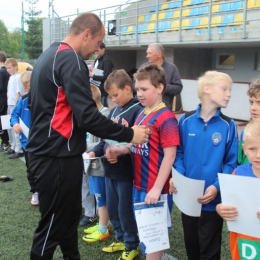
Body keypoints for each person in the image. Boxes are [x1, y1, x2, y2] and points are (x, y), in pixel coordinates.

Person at [26, 12, 148, 260]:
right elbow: (88, 117)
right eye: (97, 42)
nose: (97, 50)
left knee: (68, 222)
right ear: (86, 34)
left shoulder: (47, 56)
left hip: (49, 154)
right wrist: (129, 134)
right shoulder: (70, 59)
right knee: (51, 229)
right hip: (55, 157)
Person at [108, 64, 180, 260]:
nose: (139, 93)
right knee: (146, 234)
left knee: (153, 238)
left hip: (155, 189)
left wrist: (157, 188)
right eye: (137, 89)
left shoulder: (166, 118)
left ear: (159, 88)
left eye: (144, 89)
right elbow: (137, 144)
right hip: (139, 185)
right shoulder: (142, 113)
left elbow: (170, 156)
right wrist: (122, 149)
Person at [170, 71, 238, 260]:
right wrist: (180, 178)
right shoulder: (185, 120)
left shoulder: (228, 125)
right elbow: (179, 153)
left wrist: (216, 188)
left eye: (230, 90)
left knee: (210, 251)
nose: (229, 94)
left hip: (213, 202)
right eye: (224, 89)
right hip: (188, 200)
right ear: (207, 89)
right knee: (192, 247)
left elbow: (231, 163)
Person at [84, 70, 141, 260]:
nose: (114, 99)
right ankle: (120, 239)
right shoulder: (114, 111)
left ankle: (131, 244)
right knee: (114, 209)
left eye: (116, 95)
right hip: (109, 170)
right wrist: (94, 151)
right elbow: (105, 139)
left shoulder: (137, 110)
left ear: (127, 88)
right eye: (110, 96)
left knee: (125, 211)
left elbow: (137, 143)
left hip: (126, 172)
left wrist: (121, 151)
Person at [216, 120, 260, 260]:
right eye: (253, 149)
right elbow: (228, 203)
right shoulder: (238, 173)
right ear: (244, 149)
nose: (258, 155)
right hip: (244, 240)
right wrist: (220, 208)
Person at [79, 83, 109, 227]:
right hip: (85, 156)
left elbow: (104, 142)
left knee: (99, 190)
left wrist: (81, 147)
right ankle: (89, 212)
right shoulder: (83, 115)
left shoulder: (105, 114)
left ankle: (99, 217)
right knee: (84, 184)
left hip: (98, 160)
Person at [10, 71, 39, 206]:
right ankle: (35, 191)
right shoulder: (23, 101)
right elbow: (14, 115)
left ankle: (46, 190)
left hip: (43, 142)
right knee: (31, 168)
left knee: (44, 167)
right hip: (27, 142)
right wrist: (15, 123)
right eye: (27, 86)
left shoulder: (45, 99)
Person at [138, 43, 183, 110]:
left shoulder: (172, 68)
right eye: (147, 53)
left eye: (150, 53)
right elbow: (134, 84)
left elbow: (178, 88)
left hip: (163, 111)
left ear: (159, 53)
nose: (147, 56)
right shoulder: (143, 67)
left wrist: (161, 86)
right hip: (144, 110)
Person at [4, 58, 24, 159]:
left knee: (16, 126)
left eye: (10, 67)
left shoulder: (17, 77)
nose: (8, 70)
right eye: (7, 68)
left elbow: (19, 93)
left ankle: (19, 149)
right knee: (9, 127)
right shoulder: (11, 77)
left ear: (15, 66)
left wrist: (16, 105)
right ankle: (13, 146)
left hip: (15, 104)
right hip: (10, 103)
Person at [238, 77, 260, 165]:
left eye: (259, 103)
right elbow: (240, 163)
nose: (253, 108)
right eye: (251, 102)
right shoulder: (245, 133)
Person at [89, 42, 114, 107]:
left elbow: (107, 77)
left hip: (102, 91)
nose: (96, 52)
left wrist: (93, 76)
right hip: (96, 89)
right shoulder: (97, 59)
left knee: (102, 109)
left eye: (97, 50)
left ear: (103, 49)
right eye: (95, 51)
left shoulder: (106, 60)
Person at [0, 51, 10, 151]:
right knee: (4, 120)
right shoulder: (6, 71)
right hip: (6, 99)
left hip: (2, 99)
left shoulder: (2, 71)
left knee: (2, 121)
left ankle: (5, 142)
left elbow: (1, 86)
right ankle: (5, 141)